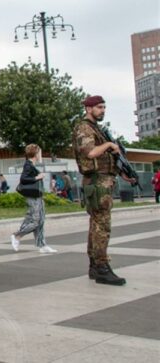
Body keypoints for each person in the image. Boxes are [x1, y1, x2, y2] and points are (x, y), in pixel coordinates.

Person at [73, 95, 136, 286]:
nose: (103, 110)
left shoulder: (95, 128)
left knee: (97, 225)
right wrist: (109, 145)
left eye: (104, 107)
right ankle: (101, 267)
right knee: (102, 226)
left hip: (102, 181)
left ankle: (95, 266)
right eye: (99, 107)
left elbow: (103, 159)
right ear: (89, 108)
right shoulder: (84, 128)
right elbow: (91, 153)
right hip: (97, 182)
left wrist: (121, 172)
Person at [10, 144, 58, 253]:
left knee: (41, 220)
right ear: (35, 153)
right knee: (36, 220)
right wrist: (38, 177)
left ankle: (42, 245)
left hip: (38, 196)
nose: (41, 154)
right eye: (39, 152)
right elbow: (23, 179)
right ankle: (16, 236)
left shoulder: (32, 165)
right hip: (33, 197)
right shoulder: (28, 165)